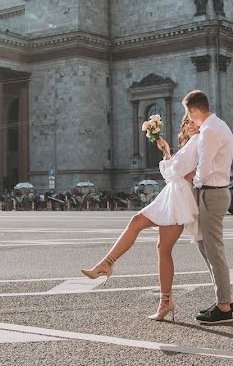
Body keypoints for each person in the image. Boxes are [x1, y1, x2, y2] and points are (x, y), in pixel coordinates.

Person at [81, 115, 200, 321]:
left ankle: (107, 264)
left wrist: (171, 159)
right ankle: (165, 302)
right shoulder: (191, 144)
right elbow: (174, 172)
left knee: (146, 231)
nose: (187, 125)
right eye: (185, 122)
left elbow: (174, 172)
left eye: (191, 121)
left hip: (178, 198)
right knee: (161, 248)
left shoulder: (197, 142)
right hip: (173, 195)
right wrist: (166, 152)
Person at [183, 89, 233, 325]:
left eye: (189, 114)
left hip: (211, 194)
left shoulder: (208, 131)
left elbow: (203, 171)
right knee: (206, 246)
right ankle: (224, 299)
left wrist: (190, 181)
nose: (189, 120)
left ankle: (224, 306)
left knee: (213, 250)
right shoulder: (219, 125)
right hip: (216, 192)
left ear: (194, 110)